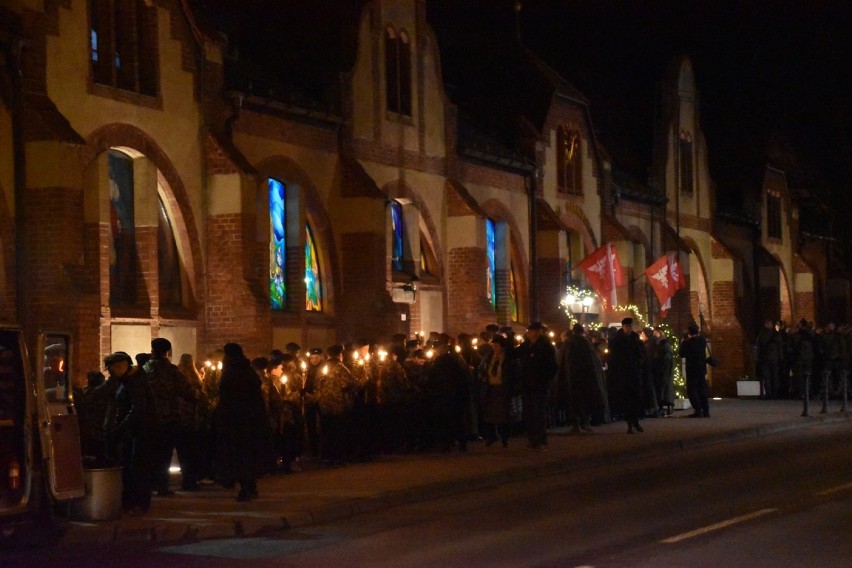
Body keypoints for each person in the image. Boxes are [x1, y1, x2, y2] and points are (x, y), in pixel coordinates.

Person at [215, 343, 271, 501]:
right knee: (247, 453)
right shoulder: (248, 371)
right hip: (251, 419)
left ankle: (246, 487)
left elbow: (226, 397)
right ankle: (250, 486)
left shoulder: (231, 373)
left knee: (239, 455)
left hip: (237, 420)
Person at [102, 351, 154, 515]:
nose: (110, 374)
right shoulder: (127, 380)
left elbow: (138, 408)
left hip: (141, 430)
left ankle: (139, 504)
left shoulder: (134, 381)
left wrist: (120, 428)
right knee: (131, 467)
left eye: (111, 370)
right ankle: (132, 502)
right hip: (133, 430)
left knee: (138, 468)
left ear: (121, 367)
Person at [143, 338, 196, 496]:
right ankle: (164, 485)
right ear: (169, 352)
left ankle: (152, 483)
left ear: (152, 350)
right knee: (169, 453)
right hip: (170, 417)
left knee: (153, 453)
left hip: (151, 418)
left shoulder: (144, 369)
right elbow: (186, 391)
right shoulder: (171, 370)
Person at [424, 335, 471, 452]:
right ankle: (460, 442)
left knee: (446, 420)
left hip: (445, 395)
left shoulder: (441, 362)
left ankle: (448, 443)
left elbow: (433, 377)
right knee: (456, 420)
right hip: (453, 394)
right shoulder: (454, 360)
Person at [313, 345, 357, 465]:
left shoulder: (322, 367)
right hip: (338, 404)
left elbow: (316, 384)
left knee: (327, 430)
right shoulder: (341, 368)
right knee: (339, 432)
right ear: (340, 355)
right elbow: (350, 383)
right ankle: (338, 457)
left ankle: (327, 457)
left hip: (324, 404)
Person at [518, 322, 558, 449]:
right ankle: (532, 439)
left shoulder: (545, 346)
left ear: (538, 332)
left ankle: (540, 440)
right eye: (528, 331)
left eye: (532, 331)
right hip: (527, 384)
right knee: (529, 412)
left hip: (539, 384)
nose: (529, 333)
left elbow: (552, 366)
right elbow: (516, 353)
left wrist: (544, 379)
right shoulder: (526, 345)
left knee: (538, 412)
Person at [560, 324, 607, 432]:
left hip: (571, 377)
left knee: (574, 401)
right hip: (586, 376)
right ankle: (585, 422)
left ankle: (576, 424)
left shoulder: (568, 343)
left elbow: (562, 360)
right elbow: (593, 360)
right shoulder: (586, 343)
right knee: (585, 400)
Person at [608, 318, 646, 433]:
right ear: (623, 327)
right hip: (623, 374)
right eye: (626, 327)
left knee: (635, 398)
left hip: (634, 372)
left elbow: (641, 353)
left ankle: (635, 421)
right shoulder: (617, 340)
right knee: (626, 399)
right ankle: (630, 423)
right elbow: (613, 356)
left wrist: (639, 362)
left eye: (629, 326)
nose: (628, 329)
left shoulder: (635, 338)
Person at [479, 334, 518, 447]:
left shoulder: (508, 359)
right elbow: (482, 369)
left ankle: (504, 437)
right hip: (491, 388)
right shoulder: (489, 357)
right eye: (493, 346)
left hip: (503, 388)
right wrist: (483, 376)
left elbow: (513, 373)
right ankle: (492, 436)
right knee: (490, 414)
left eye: (496, 346)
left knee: (503, 415)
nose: (494, 348)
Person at [680, 324, 710, 418]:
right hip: (701, 368)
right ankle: (706, 410)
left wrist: (684, 341)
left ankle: (698, 409)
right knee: (702, 389)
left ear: (689, 332)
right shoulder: (702, 341)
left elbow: (682, 354)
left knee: (692, 390)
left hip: (692, 369)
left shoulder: (687, 343)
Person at [651, 328, 675, 415]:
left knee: (665, 388)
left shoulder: (664, 344)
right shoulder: (661, 344)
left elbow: (666, 357)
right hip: (662, 369)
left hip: (664, 370)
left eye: (656, 333)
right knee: (663, 389)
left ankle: (667, 406)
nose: (654, 334)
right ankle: (664, 406)